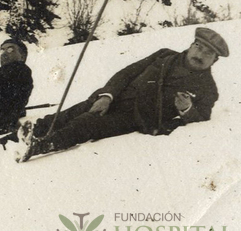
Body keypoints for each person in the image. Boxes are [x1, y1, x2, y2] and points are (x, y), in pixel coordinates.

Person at [16, 27, 228, 163]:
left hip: (135, 117)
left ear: (214, 61)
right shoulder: (165, 55)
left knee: (85, 123)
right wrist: (107, 96)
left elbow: (202, 119)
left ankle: (39, 146)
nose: (199, 55)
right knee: (63, 116)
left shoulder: (208, 89)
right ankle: (5, 141)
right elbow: (128, 73)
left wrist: (186, 109)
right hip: (114, 98)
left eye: (208, 53)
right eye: (198, 47)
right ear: (191, 45)